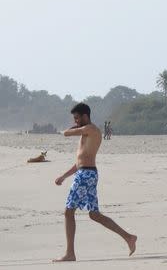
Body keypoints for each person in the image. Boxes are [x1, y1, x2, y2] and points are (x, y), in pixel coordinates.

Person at [53, 103, 137, 262]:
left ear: (85, 116)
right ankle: (129, 237)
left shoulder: (91, 129)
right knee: (94, 214)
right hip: (85, 173)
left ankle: (70, 253)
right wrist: (64, 176)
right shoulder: (84, 134)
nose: (76, 121)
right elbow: (79, 163)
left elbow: (66, 133)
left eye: (77, 118)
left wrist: (69, 129)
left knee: (68, 212)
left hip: (86, 175)